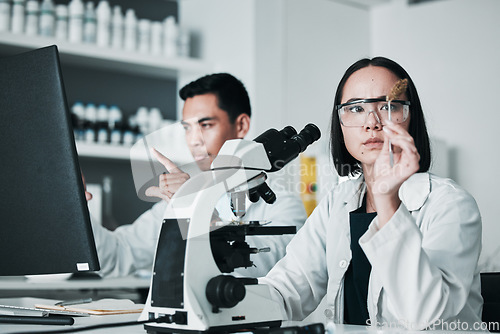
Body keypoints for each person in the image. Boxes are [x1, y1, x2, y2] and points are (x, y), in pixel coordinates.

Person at [259, 57, 483, 330]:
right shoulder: (336, 204)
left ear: (410, 118)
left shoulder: (451, 204)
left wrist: (388, 201)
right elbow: (286, 290)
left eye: (388, 107)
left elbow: (422, 316)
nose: (372, 122)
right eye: (355, 108)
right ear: (340, 124)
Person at [89, 73, 307, 278]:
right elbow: (117, 256)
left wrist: (192, 207)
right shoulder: (183, 198)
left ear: (241, 125)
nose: (194, 140)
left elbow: (255, 269)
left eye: (205, 125)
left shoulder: (283, 206)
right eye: (187, 128)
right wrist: (74, 206)